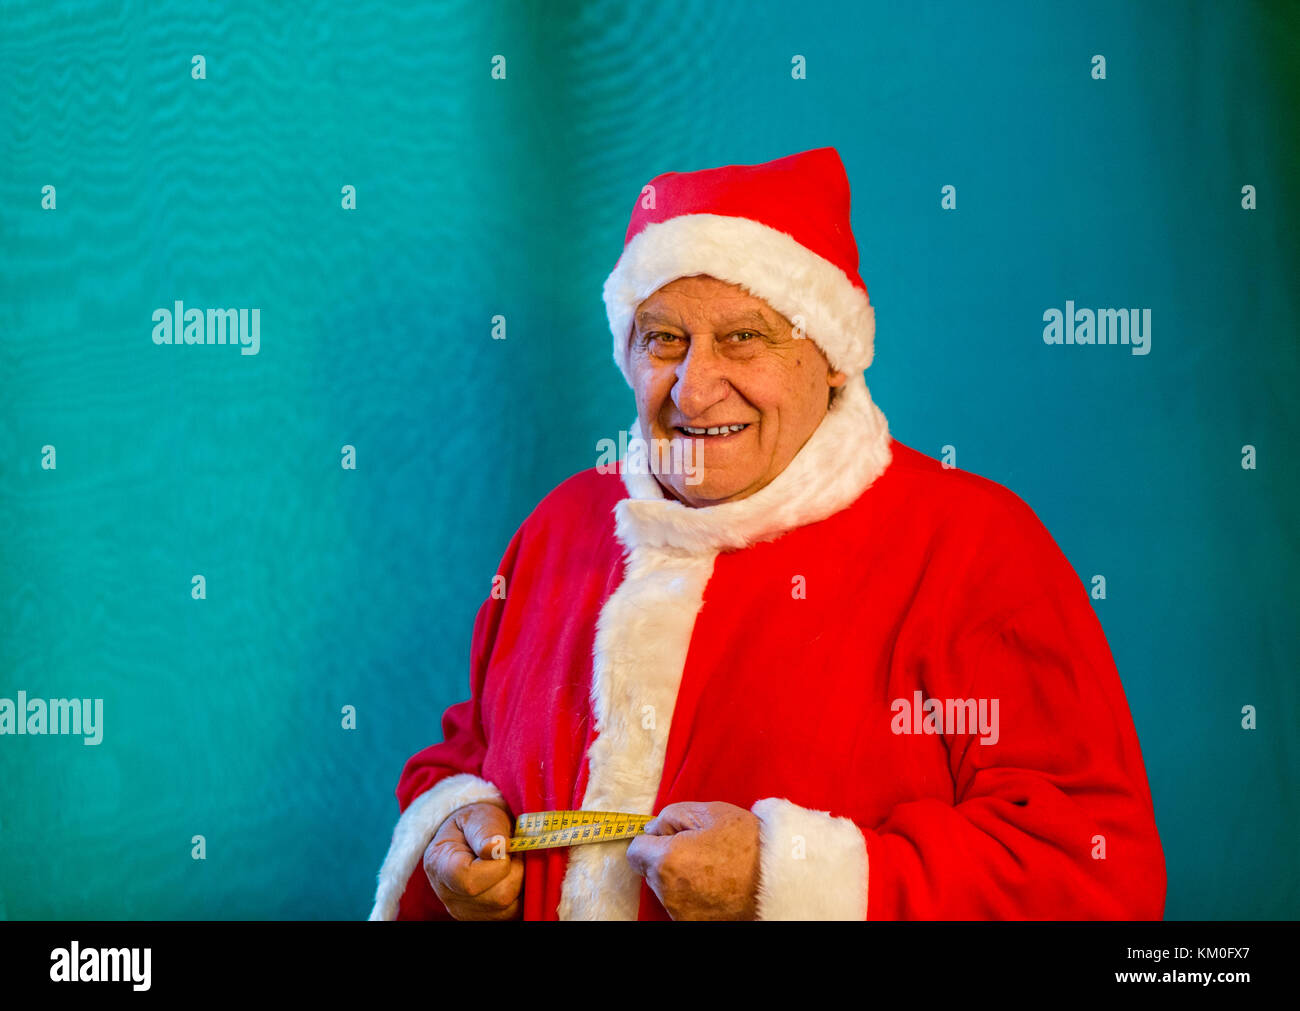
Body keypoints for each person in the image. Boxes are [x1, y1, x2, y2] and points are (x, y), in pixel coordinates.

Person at [368, 147, 1166, 921]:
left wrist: (785, 883)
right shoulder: (562, 527)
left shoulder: (976, 547)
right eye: (664, 338)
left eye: (744, 337)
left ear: (831, 359)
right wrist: (450, 833)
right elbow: (469, 753)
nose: (694, 386)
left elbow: (1090, 868)